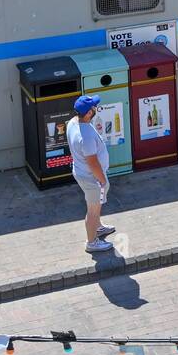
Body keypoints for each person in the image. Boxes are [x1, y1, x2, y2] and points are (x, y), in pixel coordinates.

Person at [67, 95, 114, 252]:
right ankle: (91, 242)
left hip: (82, 173)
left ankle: (98, 227)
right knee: (92, 210)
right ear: (88, 113)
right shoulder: (85, 136)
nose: (96, 109)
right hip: (92, 178)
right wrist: (102, 181)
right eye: (94, 107)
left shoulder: (73, 123)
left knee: (96, 205)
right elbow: (92, 162)